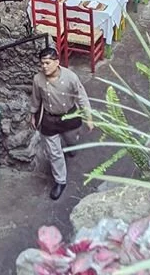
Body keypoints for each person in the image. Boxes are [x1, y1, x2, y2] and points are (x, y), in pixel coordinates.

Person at [30, 47, 93, 200]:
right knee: (54, 153)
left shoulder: (71, 77)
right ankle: (60, 181)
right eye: (42, 63)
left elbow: (81, 97)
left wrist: (88, 117)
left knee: (71, 140)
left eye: (47, 63)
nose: (44, 66)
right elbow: (36, 98)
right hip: (49, 119)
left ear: (57, 62)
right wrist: (32, 114)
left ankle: (72, 146)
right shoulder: (38, 79)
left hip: (69, 116)